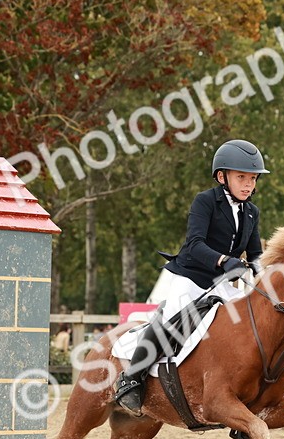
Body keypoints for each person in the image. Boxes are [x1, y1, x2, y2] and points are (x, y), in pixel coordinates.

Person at [113, 139, 268, 415]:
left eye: (253, 178)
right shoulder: (205, 201)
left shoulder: (252, 212)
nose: (248, 184)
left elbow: (255, 253)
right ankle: (131, 380)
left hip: (222, 284)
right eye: (241, 177)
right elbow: (195, 244)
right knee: (172, 316)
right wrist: (224, 260)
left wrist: (262, 271)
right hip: (191, 276)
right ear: (222, 177)